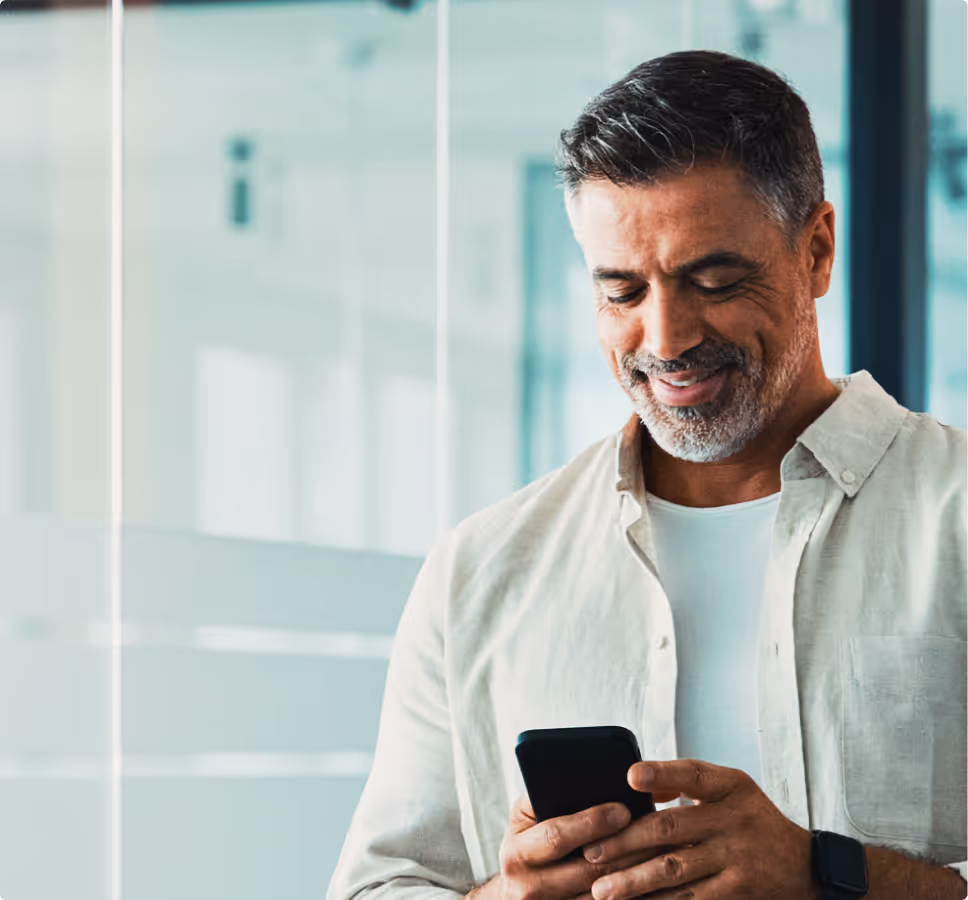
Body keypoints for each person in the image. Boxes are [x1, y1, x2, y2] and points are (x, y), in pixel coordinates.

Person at [327, 50, 968, 900]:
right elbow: (378, 885)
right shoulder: (480, 571)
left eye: (713, 279)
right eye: (622, 292)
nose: (665, 340)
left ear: (816, 251)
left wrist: (831, 877)